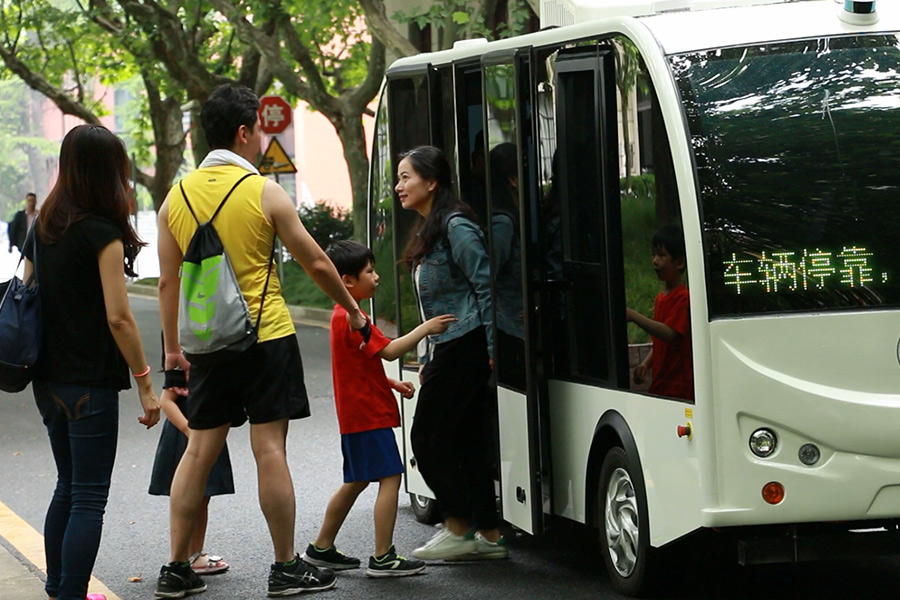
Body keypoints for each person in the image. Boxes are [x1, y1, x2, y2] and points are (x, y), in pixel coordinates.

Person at [155, 83, 367, 598]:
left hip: (206, 344)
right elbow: (317, 261)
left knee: (199, 450)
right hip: (265, 335)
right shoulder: (263, 192)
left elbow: (167, 282)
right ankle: (285, 567)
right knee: (269, 448)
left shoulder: (174, 199)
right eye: (257, 132)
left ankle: (176, 569)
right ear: (244, 132)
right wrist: (356, 312)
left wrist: (173, 352)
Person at [22, 124, 160, 600]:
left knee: (68, 485)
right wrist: (145, 381)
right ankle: (70, 594)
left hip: (47, 380)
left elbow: (29, 291)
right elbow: (119, 318)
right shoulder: (102, 233)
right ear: (109, 174)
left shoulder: (42, 226)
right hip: (89, 384)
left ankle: (59, 588)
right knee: (88, 497)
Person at [301, 240, 455, 577]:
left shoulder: (342, 315)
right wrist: (424, 328)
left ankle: (321, 547)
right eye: (369, 271)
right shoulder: (353, 318)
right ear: (347, 281)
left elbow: (358, 367)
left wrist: (391, 384)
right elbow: (388, 352)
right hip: (367, 414)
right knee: (391, 476)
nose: (377, 276)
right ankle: (383, 556)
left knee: (356, 480)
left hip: (356, 412)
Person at [396, 145, 508, 561]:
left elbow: (485, 288)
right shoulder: (431, 228)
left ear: (432, 181)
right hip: (451, 344)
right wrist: (429, 356)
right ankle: (491, 535)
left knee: (426, 437)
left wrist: (492, 348)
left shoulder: (456, 226)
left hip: (468, 342)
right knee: (466, 442)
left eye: (406, 177)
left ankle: (458, 526)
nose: (399, 185)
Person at [149, 357, 233, 577]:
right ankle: (185, 555)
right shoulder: (183, 363)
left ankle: (194, 553)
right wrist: (190, 431)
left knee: (204, 496)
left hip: (206, 429)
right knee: (191, 494)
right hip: (188, 433)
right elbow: (167, 401)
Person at [626, 224, 693, 401]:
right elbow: (660, 341)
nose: (655, 261)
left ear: (679, 263)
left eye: (662, 255)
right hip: (661, 386)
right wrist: (646, 364)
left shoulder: (684, 298)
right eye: (653, 255)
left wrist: (633, 316)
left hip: (679, 389)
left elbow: (670, 334)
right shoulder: (660, 298)